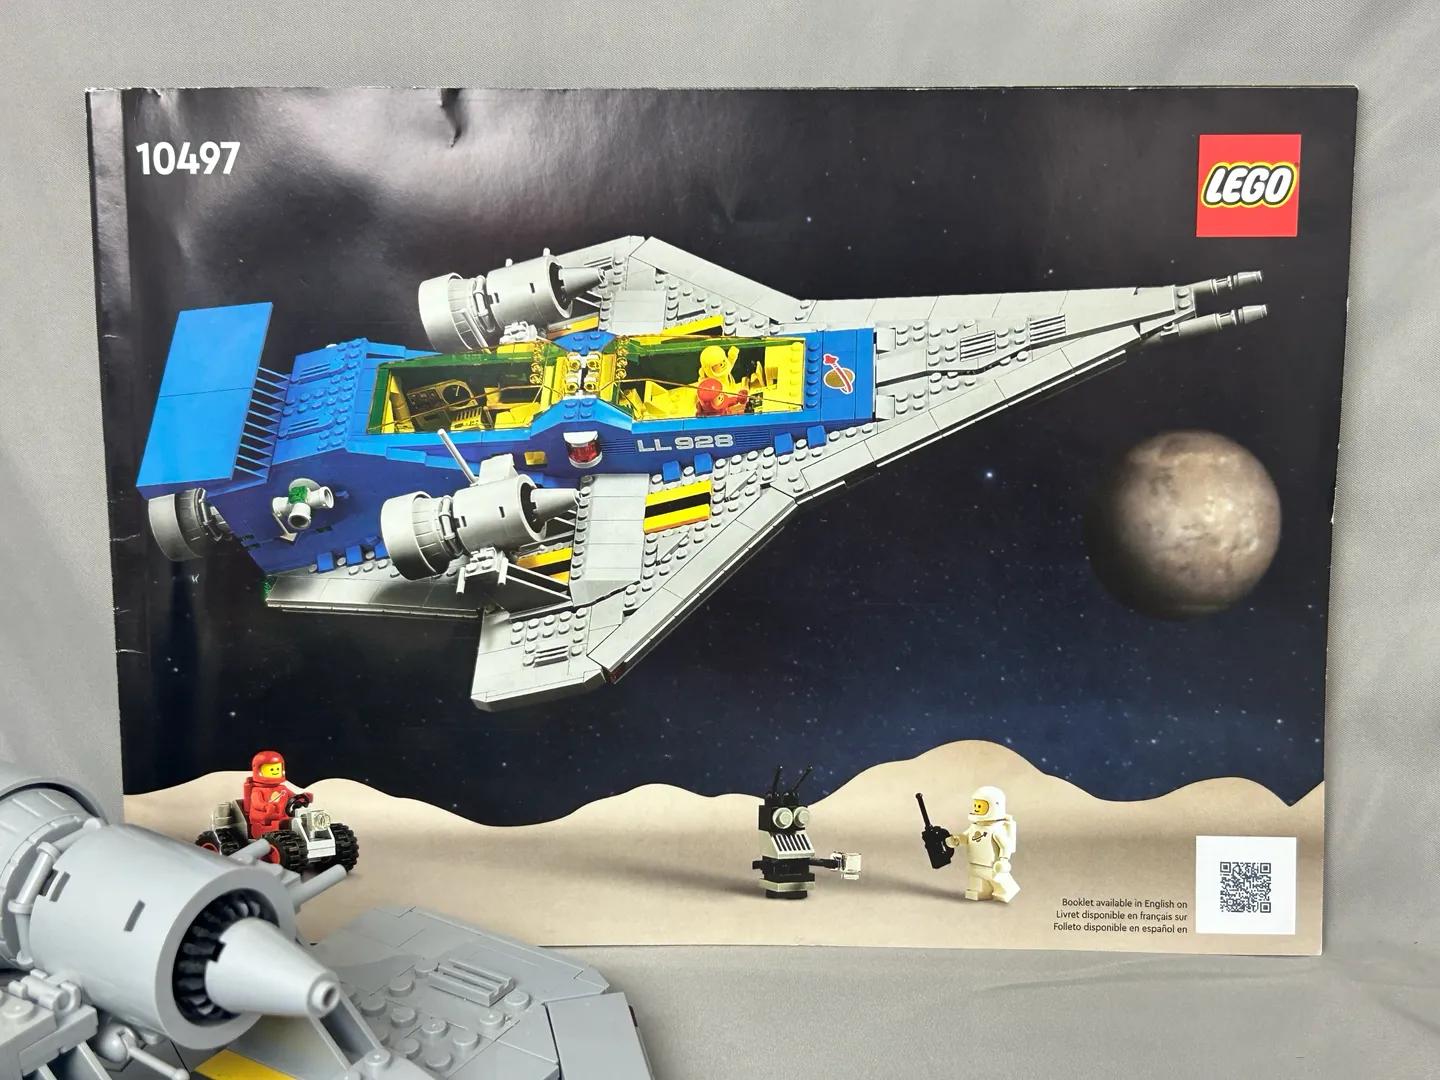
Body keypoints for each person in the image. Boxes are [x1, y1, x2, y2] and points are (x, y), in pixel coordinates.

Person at [945, 785, 1019, 902]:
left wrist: (1003, 860)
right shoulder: (974, 827)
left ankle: (1005, 891)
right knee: (976, 879)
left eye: (980, 806)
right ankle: (980, 892)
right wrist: (956, 840)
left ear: (994, 806)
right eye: (975, 805)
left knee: (998, 879)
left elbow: (1005, 846)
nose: (976, 809)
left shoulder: (996, 829)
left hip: (991, 865)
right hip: (975, 862)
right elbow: (966, 837)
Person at [242, 750, 311, 838]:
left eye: (277, 769)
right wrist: (265, 806)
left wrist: (302, 797)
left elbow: (293, 796)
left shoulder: (282, 789)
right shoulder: (257, 790)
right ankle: (266, 832)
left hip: (282, 816)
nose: (275, 771)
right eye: (271, 769)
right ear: (259, 770)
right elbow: (257, 803)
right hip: (265, 819)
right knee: (278, 825)